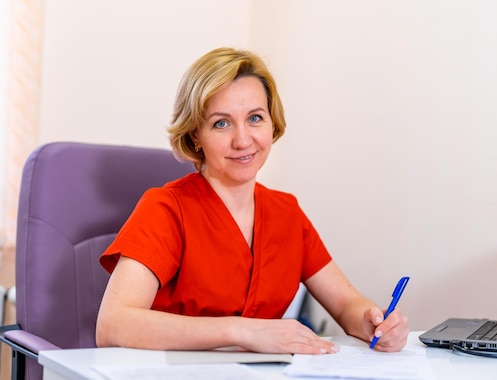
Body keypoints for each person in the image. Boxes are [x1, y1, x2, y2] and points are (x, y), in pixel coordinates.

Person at [95, 47, 409, 354]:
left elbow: (345, 303)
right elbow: (113, 325)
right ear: (195, 136)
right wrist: (241, 331)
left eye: (255, 118)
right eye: (221, 123)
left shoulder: (286, 213)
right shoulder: (165, 208)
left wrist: (373, 322)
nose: (243, 140)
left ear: (272, 123)